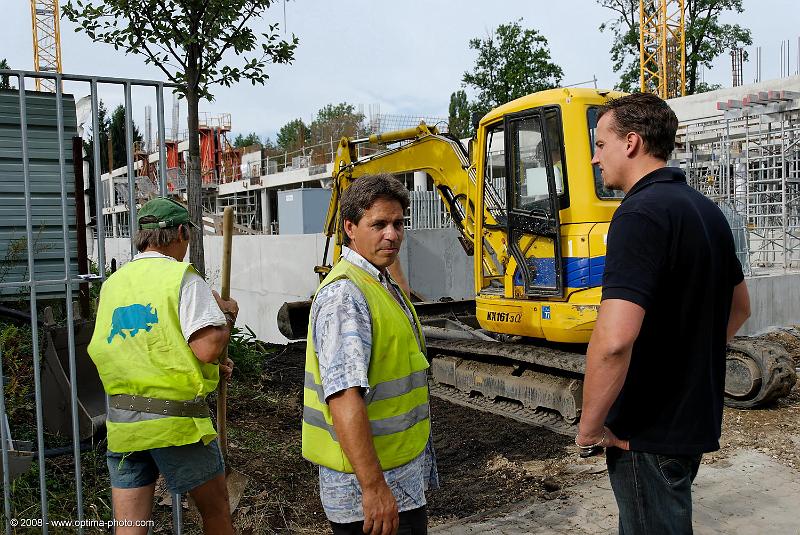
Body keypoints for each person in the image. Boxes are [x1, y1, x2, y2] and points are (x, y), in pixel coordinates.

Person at [576, 93, 751, 534]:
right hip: (689, 423)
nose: (596, 159)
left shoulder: (638, 215)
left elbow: (614, 341)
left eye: (600, 144)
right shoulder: (707, 211)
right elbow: (741, 307)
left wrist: (590, 428)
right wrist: (688, 361)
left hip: (644, 432)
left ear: (631, 142)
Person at [88, 197, 239, 535]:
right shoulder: (181, 277)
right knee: (216, 516)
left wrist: (215, 367)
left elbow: (146, 348)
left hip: (124, 426)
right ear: (182, 232)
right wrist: (227, 313)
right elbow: (206, 346)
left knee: (129, 529)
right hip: (177, 425)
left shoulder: (113, 284)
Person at [302, 174, 437, 535]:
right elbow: (345, 399)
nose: (391, 234)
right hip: (369, 495)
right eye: (378, 224)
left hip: (397, 480)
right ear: (350, 227)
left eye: (398, 223)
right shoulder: (346, 297)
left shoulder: (378, 281)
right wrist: (374, 487)